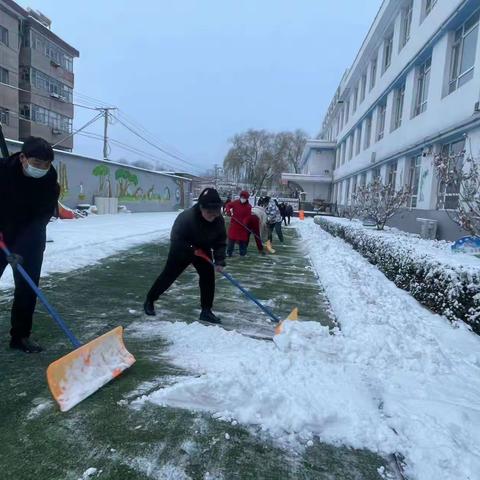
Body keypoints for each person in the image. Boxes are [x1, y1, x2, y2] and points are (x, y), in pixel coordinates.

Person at [0, 137, 59, 353]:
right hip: (1, 232)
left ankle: (20, 337)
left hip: (30, 236)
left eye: (46, 165)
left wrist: (22, 249)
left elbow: (42, 216)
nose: (42, 168)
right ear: (23, 158)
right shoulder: (3, 171)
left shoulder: (49, 179)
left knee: (27, 288)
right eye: (37, 164)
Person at [144, 188, 226, 324]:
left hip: (203, 250)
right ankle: (150, 300)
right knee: (168, 276)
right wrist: (192, 249)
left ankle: (206, 311)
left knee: (208, 278)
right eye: (209, 213)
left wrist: (219, 260)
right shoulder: (186, 217)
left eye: (215, 213)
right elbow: (176, 238)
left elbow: (220, 241)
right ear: (201, 207)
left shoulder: (218, 220)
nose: (212, 217)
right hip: (181, 250)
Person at [224, 190, 252, 257]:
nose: (243, 199)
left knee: (242, 241)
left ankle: (243, 253)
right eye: (242, 197)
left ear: (247, 198)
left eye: (244, 198)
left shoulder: (249, 206)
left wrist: (245, 222)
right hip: (234, 224)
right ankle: (229, 253)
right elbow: (228, 205)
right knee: (231, 239)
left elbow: (248, 216)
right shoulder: (235, 203)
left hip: (242, 226)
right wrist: (228, 211)